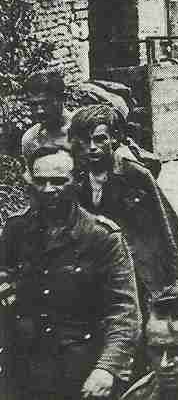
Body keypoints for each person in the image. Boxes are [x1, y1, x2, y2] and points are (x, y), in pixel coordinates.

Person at [0, 146, 141, 400]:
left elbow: (124, 311)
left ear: (76, 181)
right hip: (22, 369)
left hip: (80, 370)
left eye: (58, 181)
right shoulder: (16, 231)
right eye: (40, 181)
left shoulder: (101, 237)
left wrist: (107, 368)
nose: (48, 189)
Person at [70, 105, 178, 315]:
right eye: (85, 141)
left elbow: (166, 224)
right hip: (98, 270)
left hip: (137, 269)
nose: (92, 147)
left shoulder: (134, 174)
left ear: (114, 139)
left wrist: (176, 278)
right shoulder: (75, 178)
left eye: (100, 139)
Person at [21, 69, 72, 162]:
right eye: (33, 105)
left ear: (62, 98)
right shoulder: (30, 139)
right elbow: (32, 174)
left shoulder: (83, 130)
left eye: (46, 103)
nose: (40, 111)